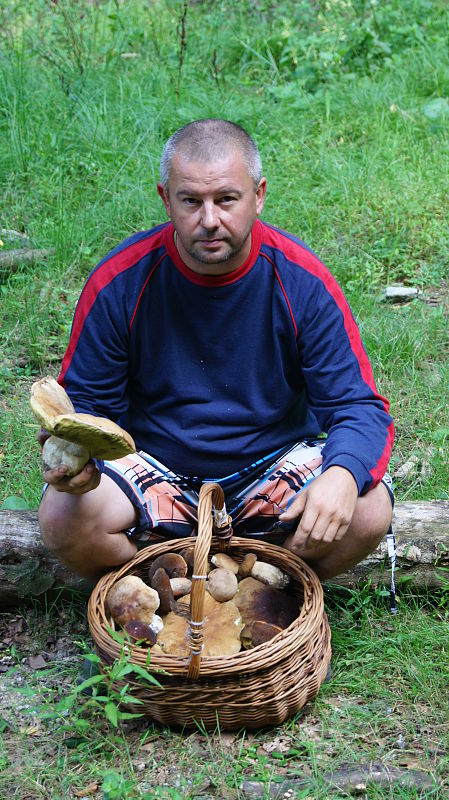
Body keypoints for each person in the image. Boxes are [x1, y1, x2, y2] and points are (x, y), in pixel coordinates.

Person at [38, 119, 394, 582]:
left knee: (367, 509)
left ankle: (264, 583)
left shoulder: (302, 282)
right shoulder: (120, 282)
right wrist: (76, 458)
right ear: (167, 199)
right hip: (155, 465)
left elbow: (358, 406)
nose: (209, 220)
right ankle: (168, 590)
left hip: (273, 465)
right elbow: (86, 405)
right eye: (191, 201)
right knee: (61, 519)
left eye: (227, 199)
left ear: (259, 195)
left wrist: (343, 475)